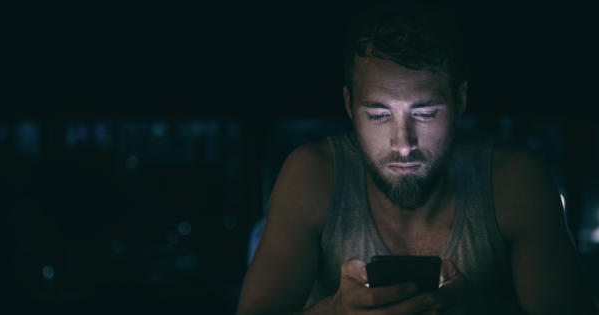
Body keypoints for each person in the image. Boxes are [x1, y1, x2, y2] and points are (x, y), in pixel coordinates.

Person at [237, 1, 598, 314]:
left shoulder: (515, 181)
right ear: (349, 105)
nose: (404, 143)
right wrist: (336, 312)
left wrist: (476, 311)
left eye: (425, 114)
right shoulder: (312, 176)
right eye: (379, 115)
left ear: (460, 101)